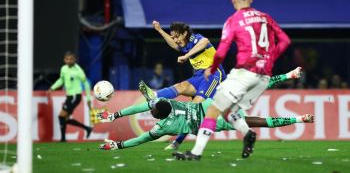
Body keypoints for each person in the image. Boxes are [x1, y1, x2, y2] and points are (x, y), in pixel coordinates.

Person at [173, 0, 292, 160]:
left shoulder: (233, 20)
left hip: (244, 73)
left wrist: (211, 70)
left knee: (213, 110)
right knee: (230, 111)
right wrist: (270, 58)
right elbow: (285, 40)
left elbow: (221, 51)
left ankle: (195, 153)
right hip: (263, 76)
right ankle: (248, 133)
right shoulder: (266, 18)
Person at [97, 88, 313, 151]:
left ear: (157, 116)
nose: (149, 111)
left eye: (151, 112)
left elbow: (143, 138)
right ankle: (294, 112)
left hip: (211, 121)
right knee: (248, 103)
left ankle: (298, 119)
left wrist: (119, 145)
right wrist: (115, 115)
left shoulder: (163, 126)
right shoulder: (167, 103)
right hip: (209, 106)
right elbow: (144, 105)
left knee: (254, 121)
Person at [145, 21, 227, 149]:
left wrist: (186, 56)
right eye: (173, 37)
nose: (175, 40)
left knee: (192, 109)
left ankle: (177, 142)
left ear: (185, 33)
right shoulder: (183, 43)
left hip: (213, 74)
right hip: (199, 75)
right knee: (181, 86)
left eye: (177, 36)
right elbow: (173, 44)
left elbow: (205, 41)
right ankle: (154, 95)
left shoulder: (194, 38)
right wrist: (160, 30)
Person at [48, 51, 93, 142]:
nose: (69, 61)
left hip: (76, 96)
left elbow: (86, 83)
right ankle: (87, 128)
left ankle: (63, 139)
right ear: (64, 60)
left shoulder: (78, 70)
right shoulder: (63, 69)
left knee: (61, 116)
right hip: (69, 96)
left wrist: (88, 98)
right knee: (65, 118)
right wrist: (52, 88)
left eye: (71, 59)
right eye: (67, 59)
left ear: (74, 60)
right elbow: (61, 80)